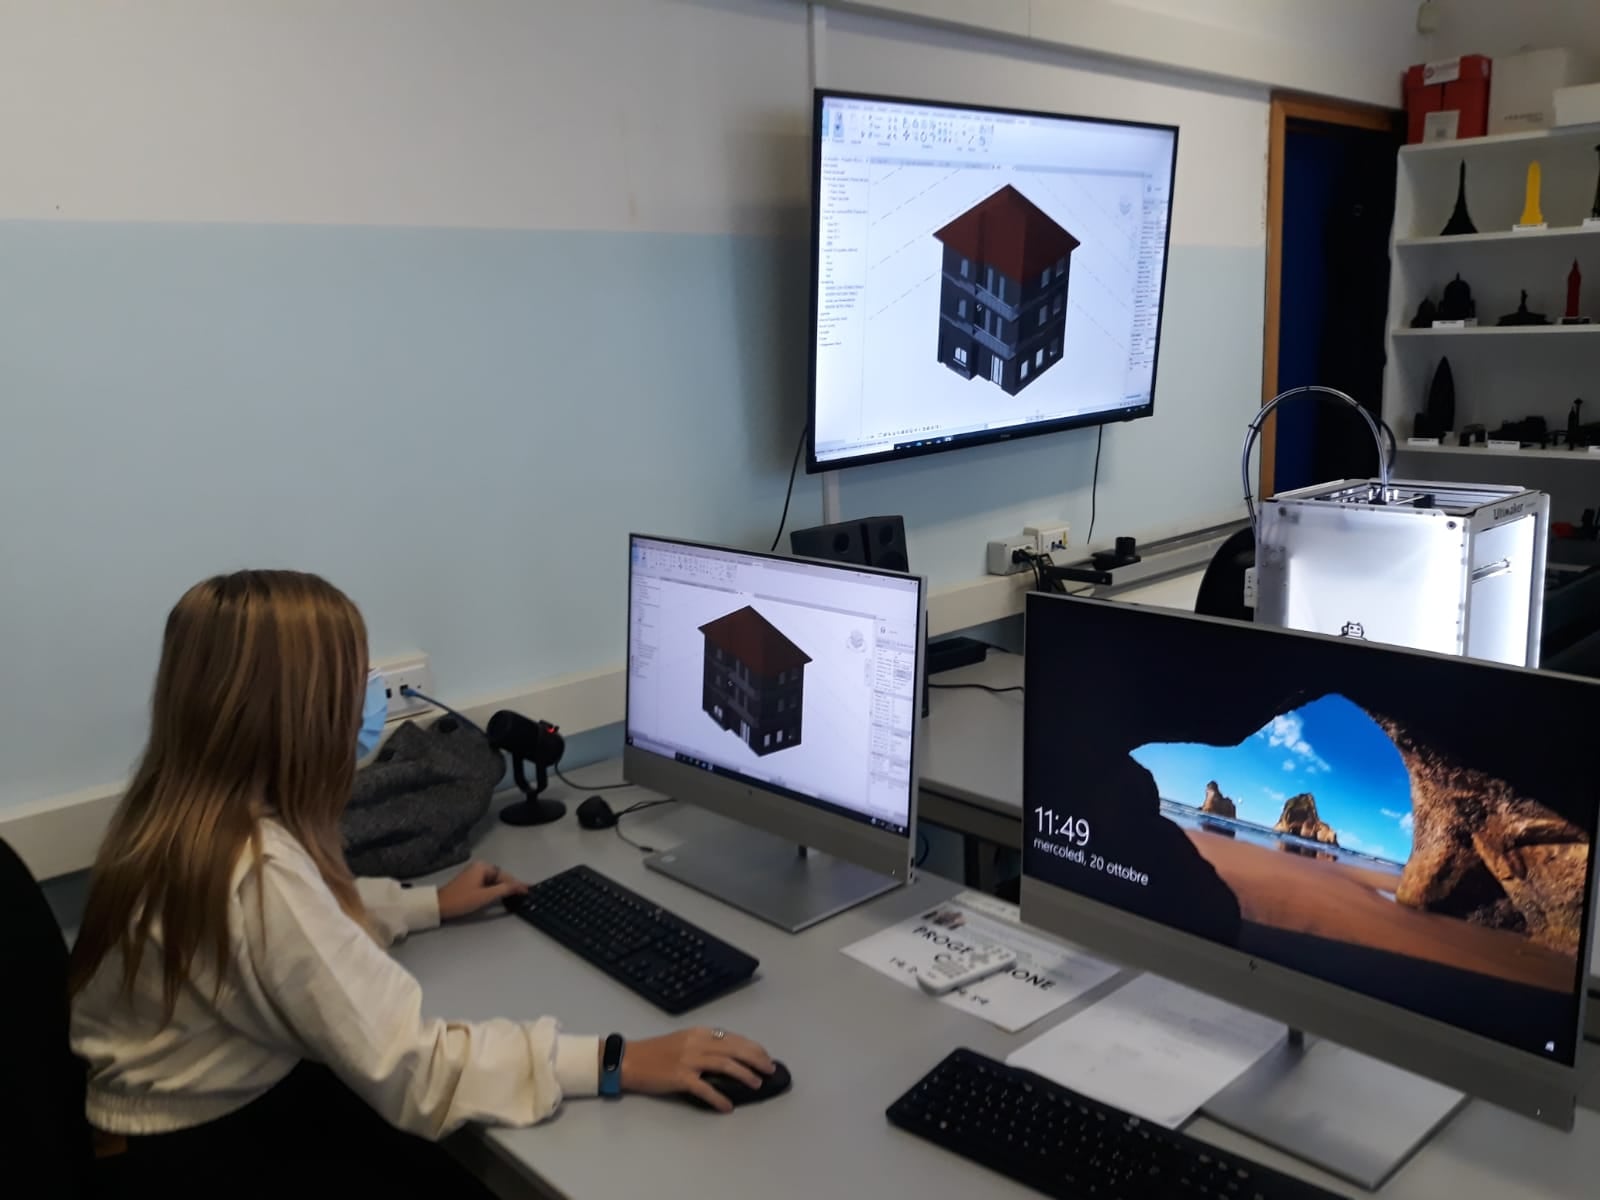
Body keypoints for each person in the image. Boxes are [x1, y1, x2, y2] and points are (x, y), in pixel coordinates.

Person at [68, 570, 774, 1195]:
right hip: (224, 1155)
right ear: (302, 718)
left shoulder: (179, 822)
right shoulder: (258, 874)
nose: (364, 708)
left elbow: (286, 939)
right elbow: (416, 1067)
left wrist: (421, 904)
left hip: (160, 1140)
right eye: (352, 689)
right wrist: (618, 1060)